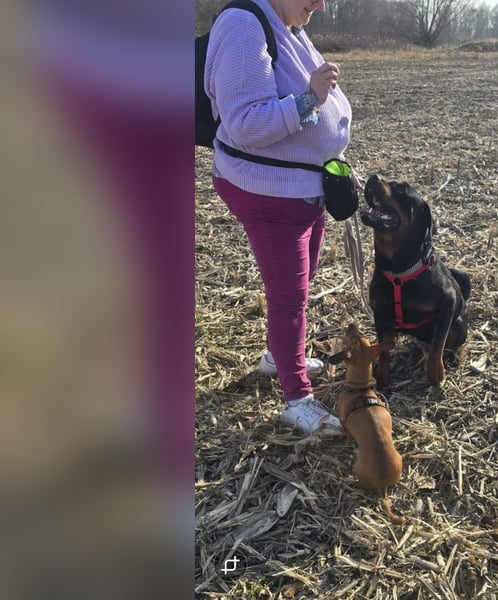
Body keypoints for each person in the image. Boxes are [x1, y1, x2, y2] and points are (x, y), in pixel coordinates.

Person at [205, 0, 357, 436]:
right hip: (268, 191)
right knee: (289, 297)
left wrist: (335, 159)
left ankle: (278, 356)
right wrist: (311, 99)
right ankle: (296, 397)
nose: (322, 4)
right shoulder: (242, 26)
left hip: (302, 188)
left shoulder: (286, 25)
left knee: (302, 282)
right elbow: (246, 123)